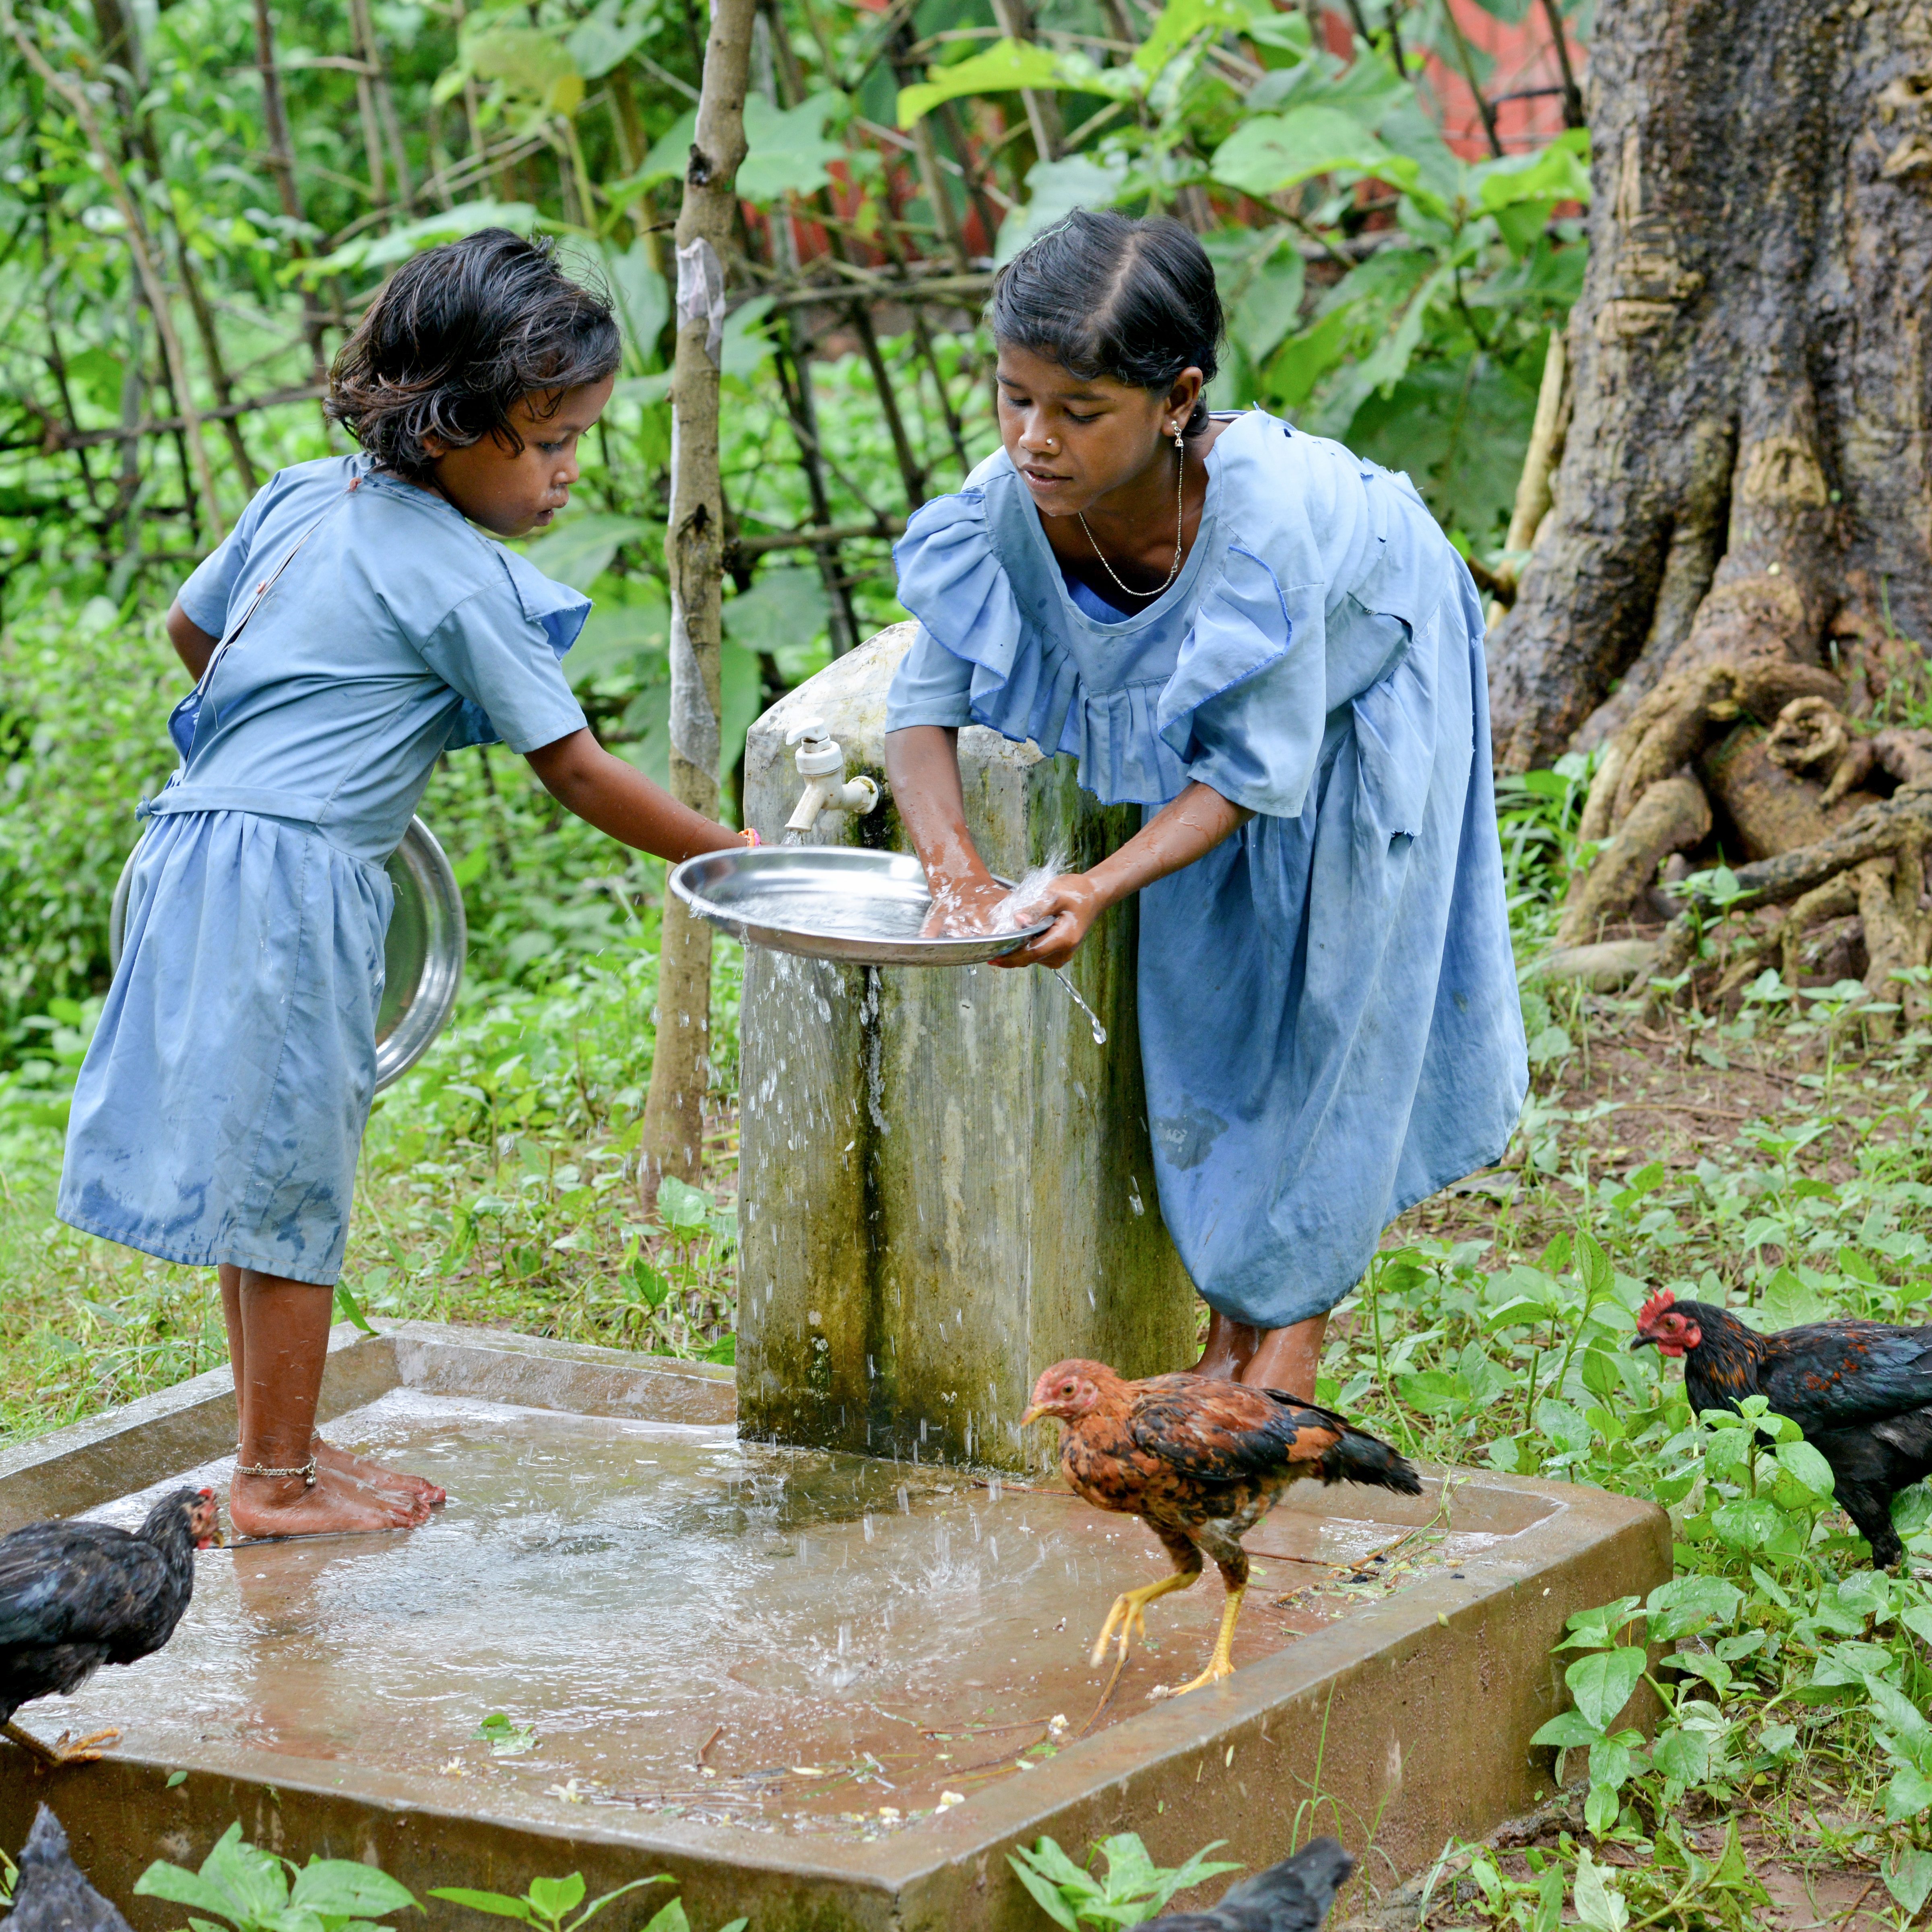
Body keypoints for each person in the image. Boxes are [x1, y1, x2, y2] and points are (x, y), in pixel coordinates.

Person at [58, 230, 745, 1538]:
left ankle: (286, 1459)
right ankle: (272, 1486)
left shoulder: (302, 496)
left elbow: (193, 631)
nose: (566, 474)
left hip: (195, 845)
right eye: (547, 447)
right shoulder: (460, 574)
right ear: (451, 432)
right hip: (294, 880)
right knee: (299, 1177)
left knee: (263, 1174)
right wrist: (739, 860)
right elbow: (582, 772)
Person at [883, 210, 1527, 1401]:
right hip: (1238, 734)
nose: (1035, 439)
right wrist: (957, 874)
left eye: (1079, 412)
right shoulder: (1003, 505)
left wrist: (1089, 884)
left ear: (1178, 399)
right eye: (1013, 398)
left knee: (1339, 982)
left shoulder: (1264, 524)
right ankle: (1240, 1315)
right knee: (1210, 987)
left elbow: (1245, 772)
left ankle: (1278, 1356)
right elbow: (919, 711)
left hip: (1369, 664)